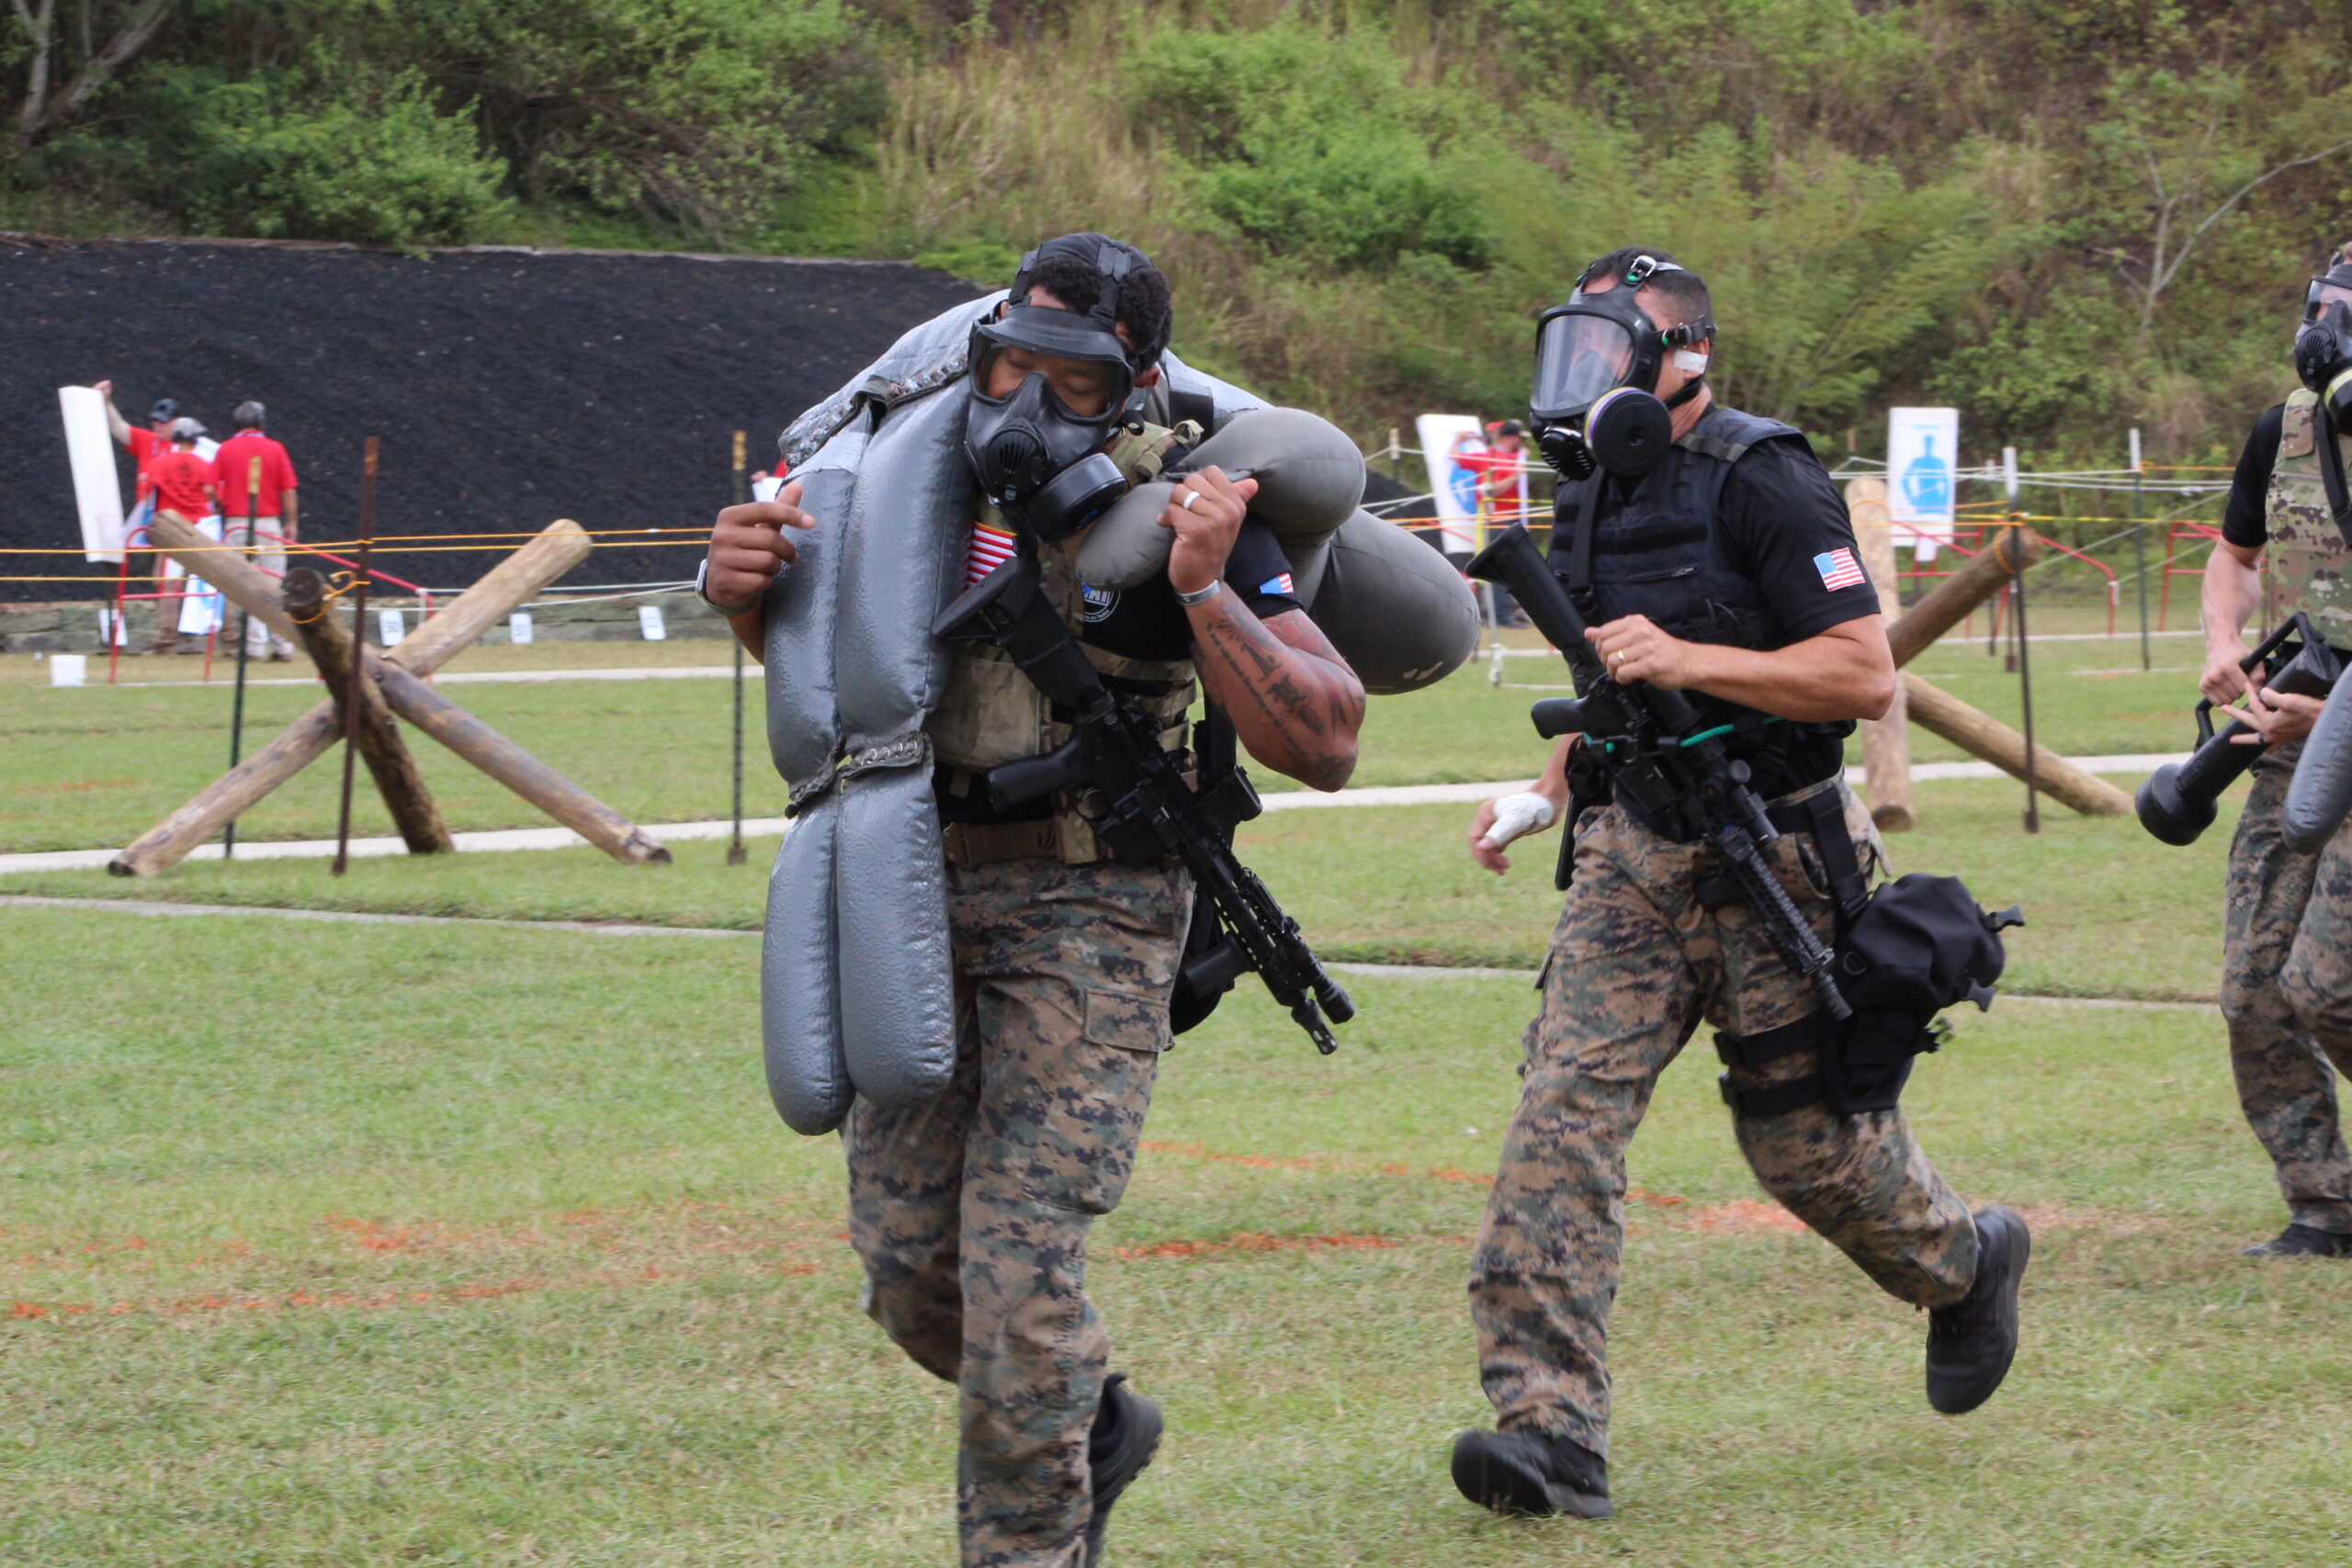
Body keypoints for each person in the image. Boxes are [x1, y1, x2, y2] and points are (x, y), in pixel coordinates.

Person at [702, 233, 1366, 1567]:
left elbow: (1330, 735)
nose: (1020, 396)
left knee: (1018, 1280)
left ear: (1133, 383)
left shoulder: (1192, 490)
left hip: (1092, 905)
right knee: (909, 1274)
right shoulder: (902, 478)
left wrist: (1203, 586)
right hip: (913, 889)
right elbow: (842, 678)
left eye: (1067, 378)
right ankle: (1093, 1421)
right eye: (1007, 359)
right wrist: (746, 595)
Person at [1450, 247, 2028, 1519]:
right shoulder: (1593, 488)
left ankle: (1968, 1260)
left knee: (1808, 1151)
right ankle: (1549, 1429)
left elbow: (1861, 674)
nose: (1587, 376)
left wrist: (1693, 653)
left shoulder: (1766, 474)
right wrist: (1546, 788)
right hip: (1633, 852)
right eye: (1577, 349)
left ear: (1686, 355)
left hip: (1774, 846)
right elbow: (1604, 664)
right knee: (1561, 1122)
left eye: (1615, 348)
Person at [2200, 240, 2352, 1259]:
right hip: (2286, 749)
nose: (2325, 327)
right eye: (2323, 304)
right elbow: (2234, 551)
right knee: (2253, 990)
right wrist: (2222, 644)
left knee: (2327, 985)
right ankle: (2326, 1204)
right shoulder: (2280, 431)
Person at [213, 400, 301, 661]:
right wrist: (291, 522)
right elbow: (288, 490)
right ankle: (283, 645)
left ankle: (252, 646)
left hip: (235, 524)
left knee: (243, 584)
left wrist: (222, 502)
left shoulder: (224, 450)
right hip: (268, 523)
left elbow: (210, 488)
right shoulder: (275, 449)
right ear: (262, 424)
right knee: (275, 583)